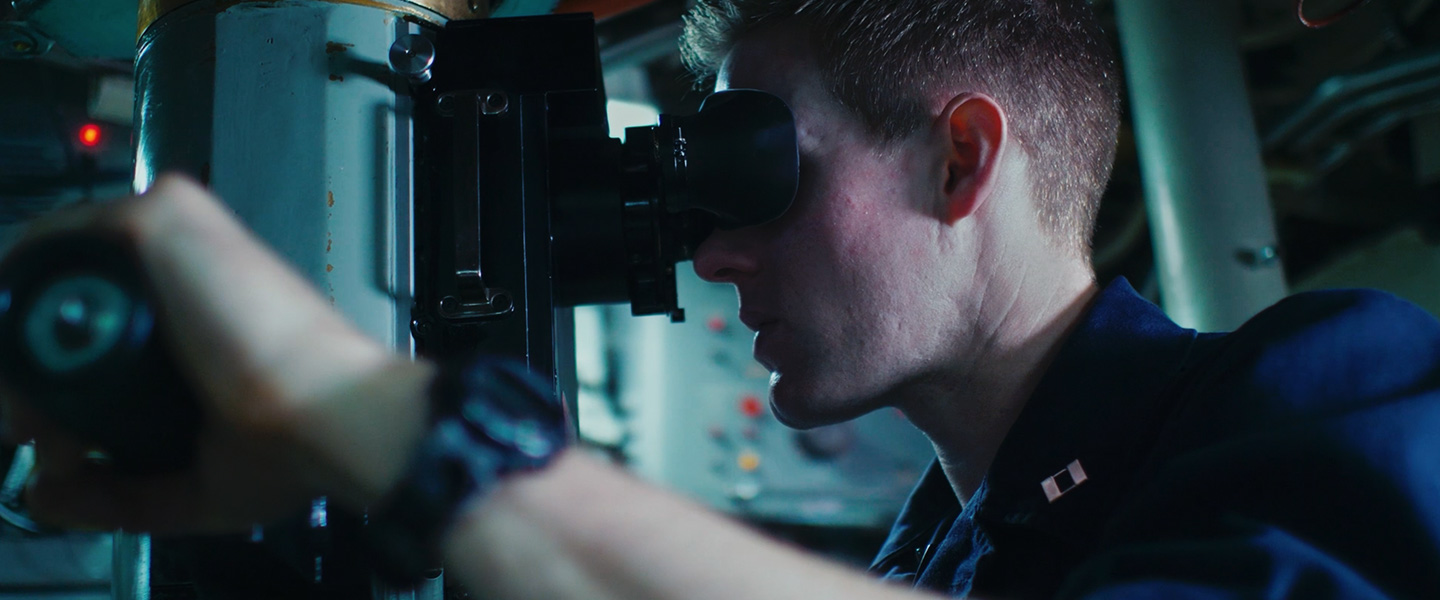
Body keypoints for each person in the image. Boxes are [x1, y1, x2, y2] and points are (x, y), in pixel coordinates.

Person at [1, 0, 1438, 598]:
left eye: (761, 177)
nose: (713, 253)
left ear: (960, 159)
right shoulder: (929, 556)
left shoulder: (1340, 384)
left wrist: (390, 419)